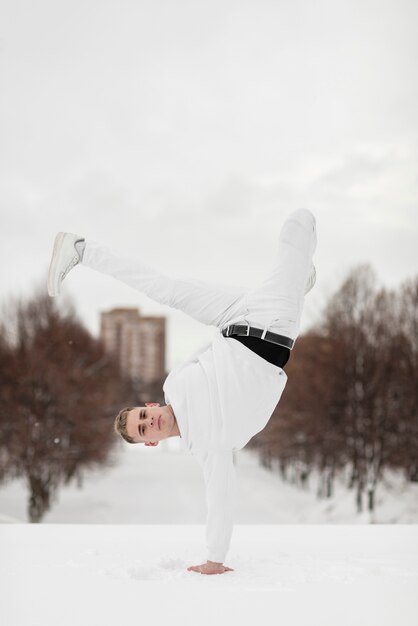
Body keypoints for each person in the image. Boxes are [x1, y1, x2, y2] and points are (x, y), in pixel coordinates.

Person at [47, 208, 317, 575]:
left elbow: (213, 351)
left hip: (235, 316)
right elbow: (220, 498)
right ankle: (295, 281)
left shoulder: (173, 383)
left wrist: (232, 327)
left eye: (143, 415)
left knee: (167, 289)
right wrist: (214, 559)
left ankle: (80, 250)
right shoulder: (210, 445)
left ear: (150, 405)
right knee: (298, 225)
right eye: (145, 429)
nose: (150, 421)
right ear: (152, 441)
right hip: (277, 325)